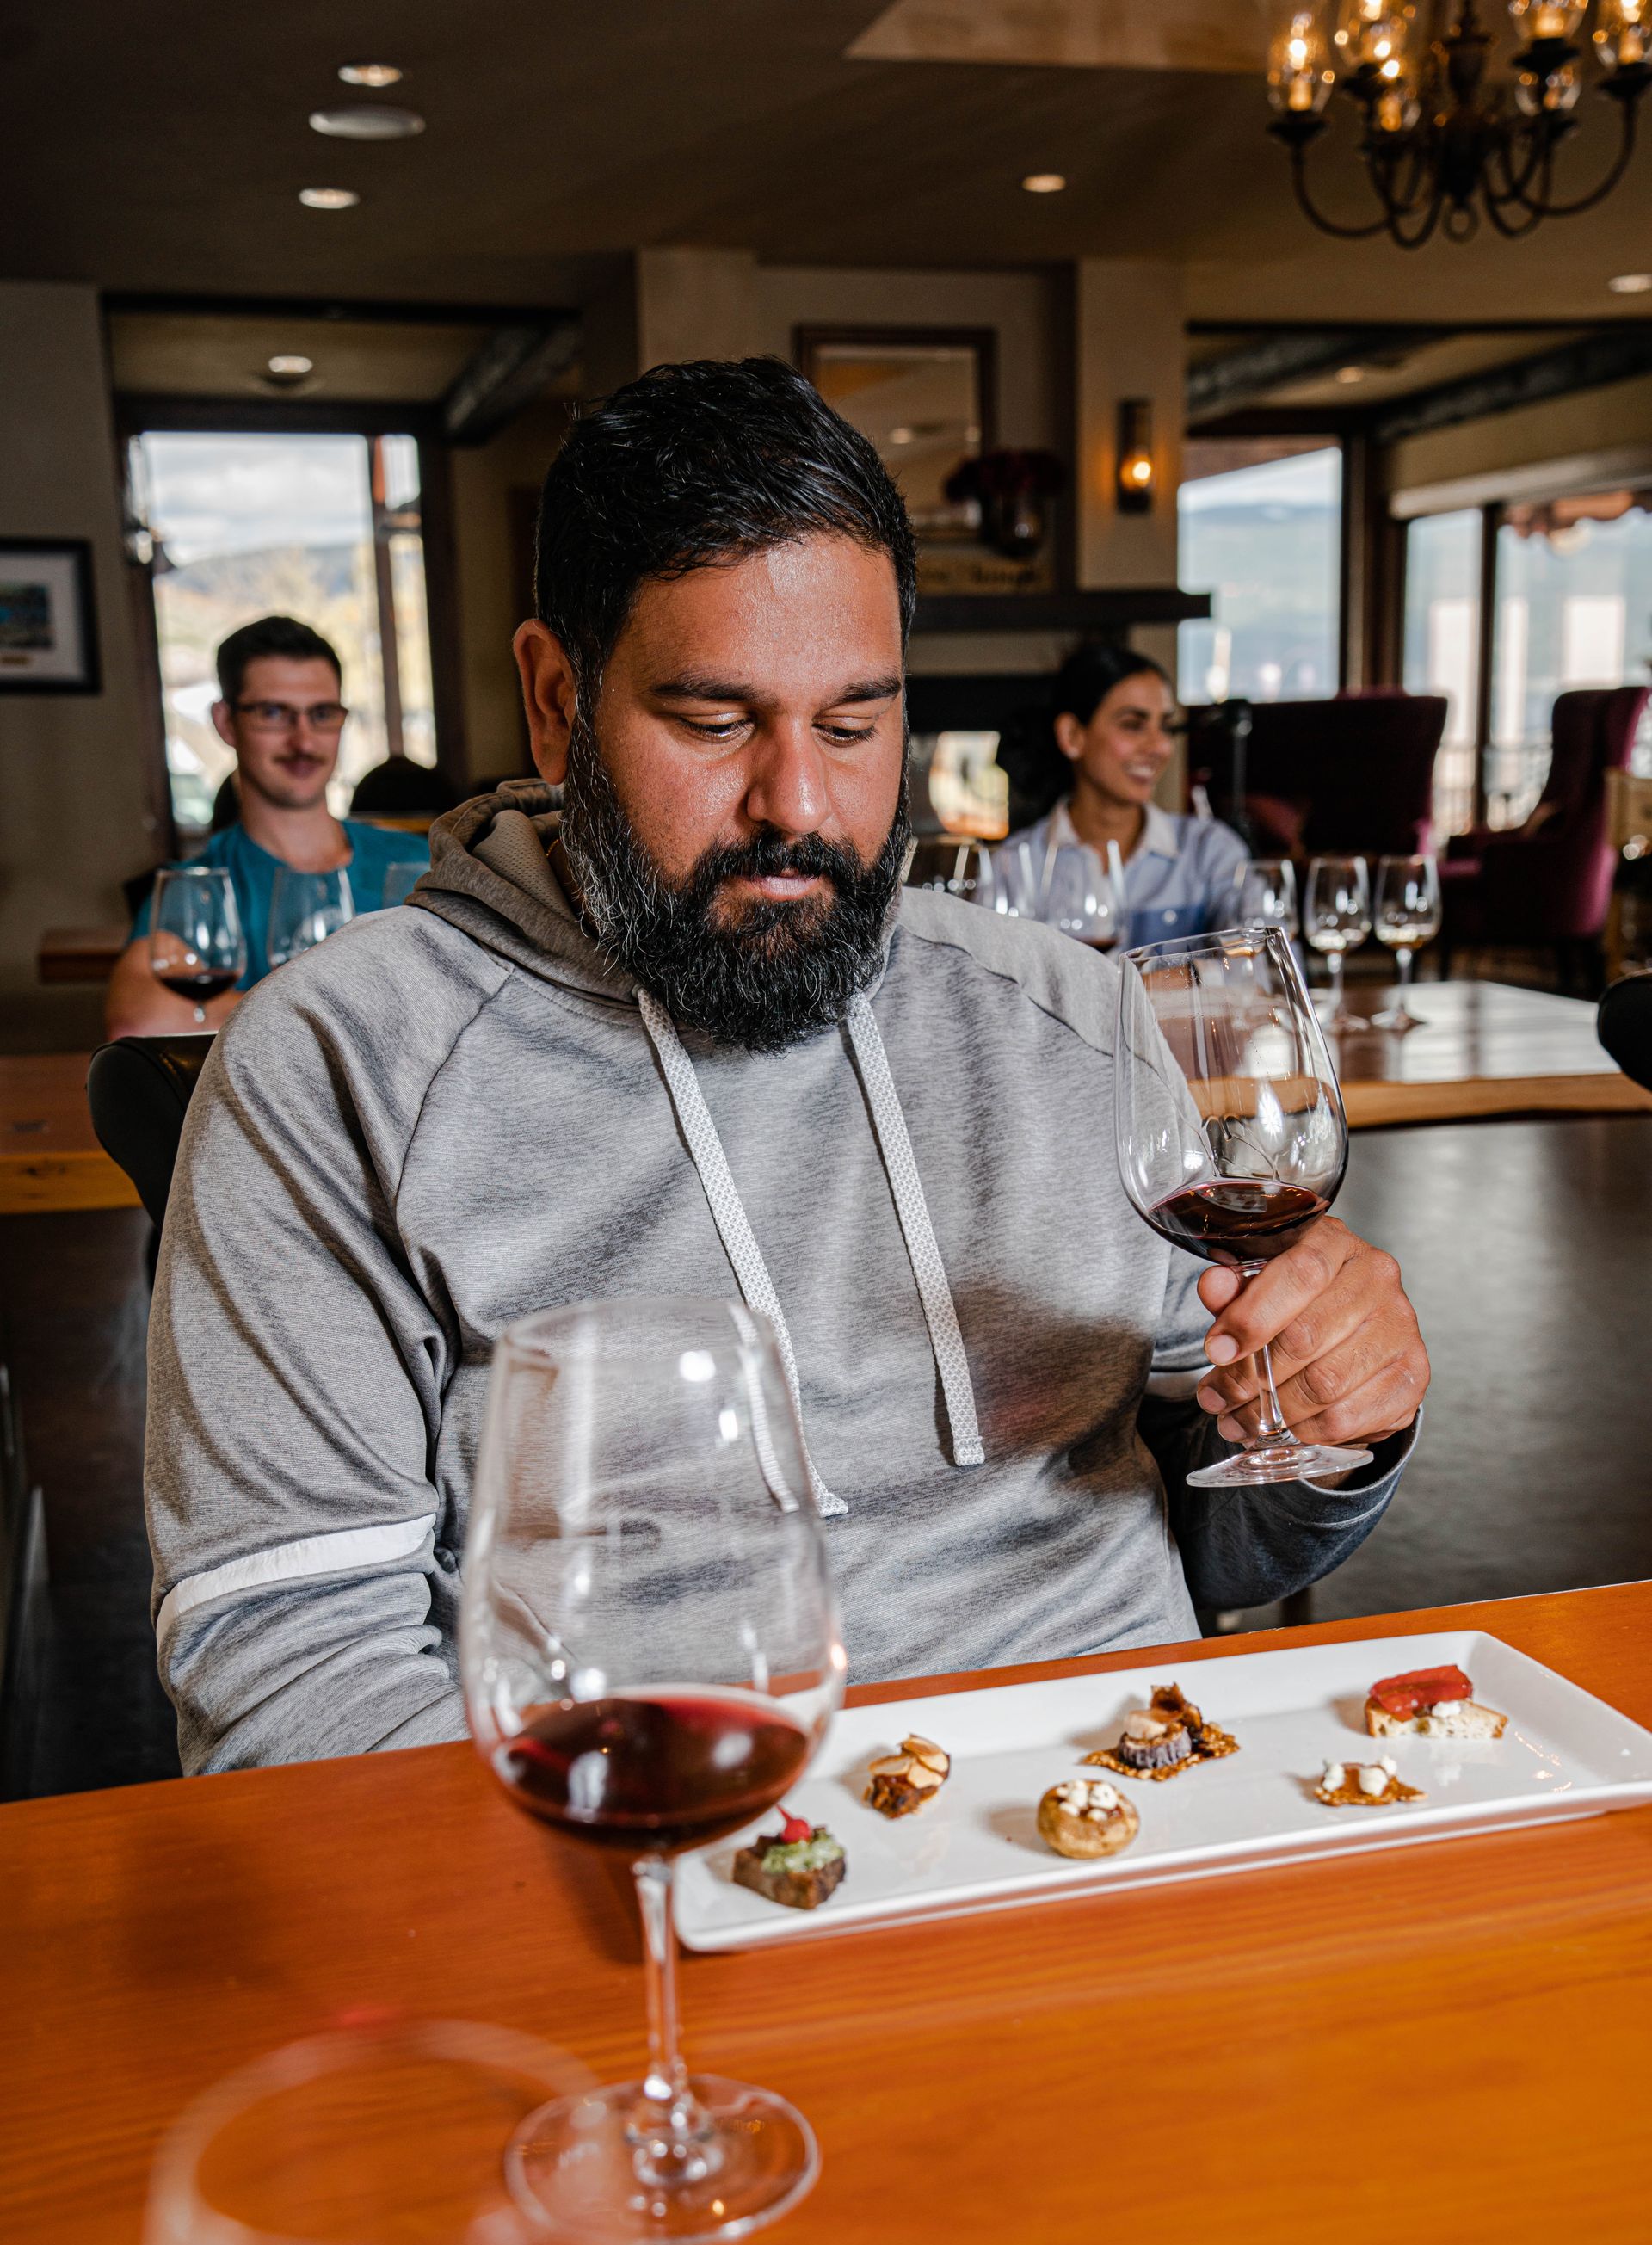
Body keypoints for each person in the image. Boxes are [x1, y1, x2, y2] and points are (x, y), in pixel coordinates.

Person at [146, 359, 1428, 1775]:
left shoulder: (1066, 1015)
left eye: (853, 722)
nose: (800, 804)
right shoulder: (338, 1072)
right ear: (557, 699)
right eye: (714, 720)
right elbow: (290, 1677)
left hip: (1123, 1817)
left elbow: (1229, 1536)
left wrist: (1334, 1422)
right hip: (661, 1862)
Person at [105, 616, 433, 1037]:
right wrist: (367, 1017)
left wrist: (257, 1013)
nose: (303, 741)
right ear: (226, 723)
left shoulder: (415, 863)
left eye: (322, 714)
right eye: (274, 713)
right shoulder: (200, 888)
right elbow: (141, 1020)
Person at [1000, 641, 1250, 947]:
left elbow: (1267, 965)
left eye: (1166, 727)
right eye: (1133, 725)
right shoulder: (1015, 866)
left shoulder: (1209, 852)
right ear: (1072, 736)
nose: (1160, 747)